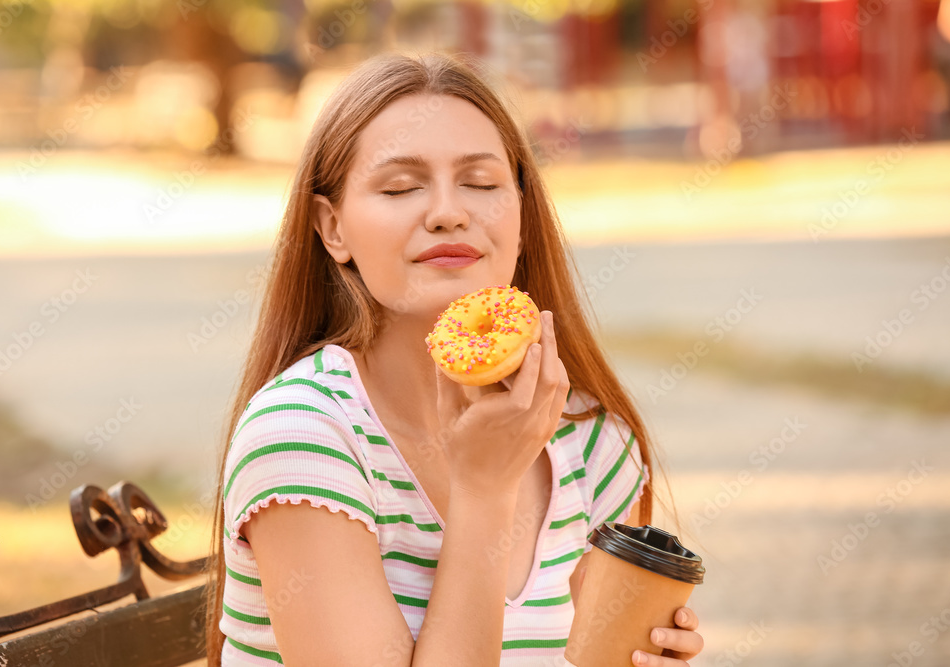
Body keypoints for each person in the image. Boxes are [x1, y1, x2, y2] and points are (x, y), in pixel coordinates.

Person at [204, 51, 704, 666]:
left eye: (482, 183)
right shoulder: (303, 436)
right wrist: (485, 490)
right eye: (400, 187)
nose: (448, 212)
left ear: (521, 215)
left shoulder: (591, 441)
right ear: (332, 228)